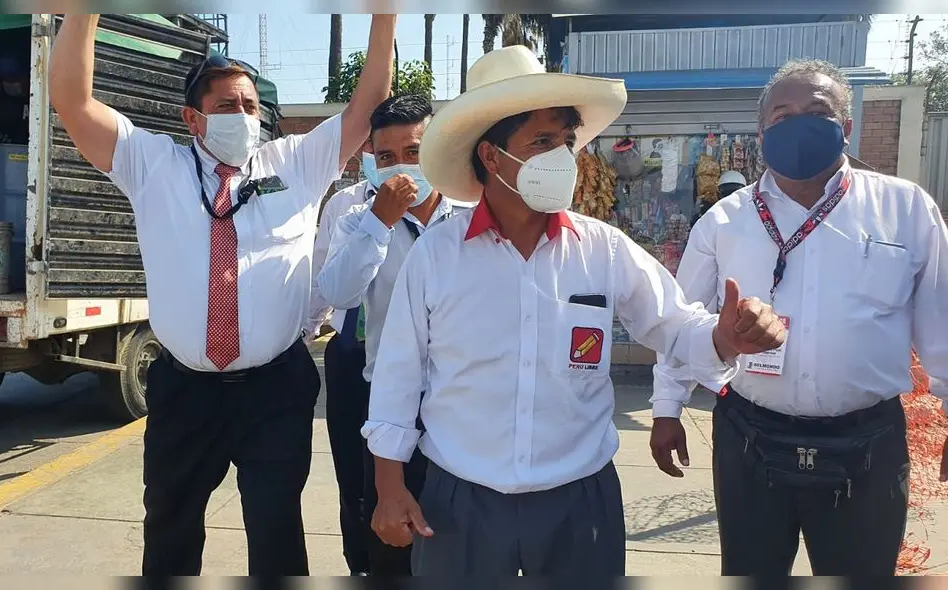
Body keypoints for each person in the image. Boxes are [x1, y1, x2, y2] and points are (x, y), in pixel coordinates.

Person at [364, 45, 787, 576]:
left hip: (578, 503)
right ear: (491, 156)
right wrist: (389, 485)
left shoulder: (603, 248)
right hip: (460, 501)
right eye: (540, 142)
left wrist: (728, 337)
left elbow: (675, 325)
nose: (561, 157)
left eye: (565, 141)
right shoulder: (436, 254)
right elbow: (399, 374)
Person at [48, 14, 396, 576]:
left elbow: (368, 102)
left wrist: (385, 15)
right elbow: (71, 99)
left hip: (275, 389)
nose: (244, 117)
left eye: (252, 107)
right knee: (170, 525)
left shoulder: (296, 164)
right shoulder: (150, 163)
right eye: (228, 107)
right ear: (193, 118)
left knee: (276, 527)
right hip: (185, 390)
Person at [649, 59, 948, 577]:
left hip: (867, 445)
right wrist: (666, 407)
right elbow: (683, 319)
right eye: (782, 114)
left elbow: (941, 320)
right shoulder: (724, 220)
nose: (798, 123)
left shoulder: (905, 210)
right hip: (750, 438)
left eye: (817, 111)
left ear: (846, 127)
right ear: (762, 133)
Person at [317, 94, 454, 575]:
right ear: (370, 159)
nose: (402, 167)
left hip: (461, 399)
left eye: (414, 152)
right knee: (388, 527)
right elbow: (337, 290)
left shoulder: (468, 216)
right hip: (390, 398)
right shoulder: (359, 219)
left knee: (453, 528)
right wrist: (380, 223)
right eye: (388, 156)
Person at [303, 138, 377, 576]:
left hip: (416, 355)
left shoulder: (448, 204)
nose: (381, 158)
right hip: (350, 349)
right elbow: (320, 271)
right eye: (374, 147)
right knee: (353, 473)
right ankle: (360, 562)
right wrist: (307, 329)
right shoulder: (345, 207)